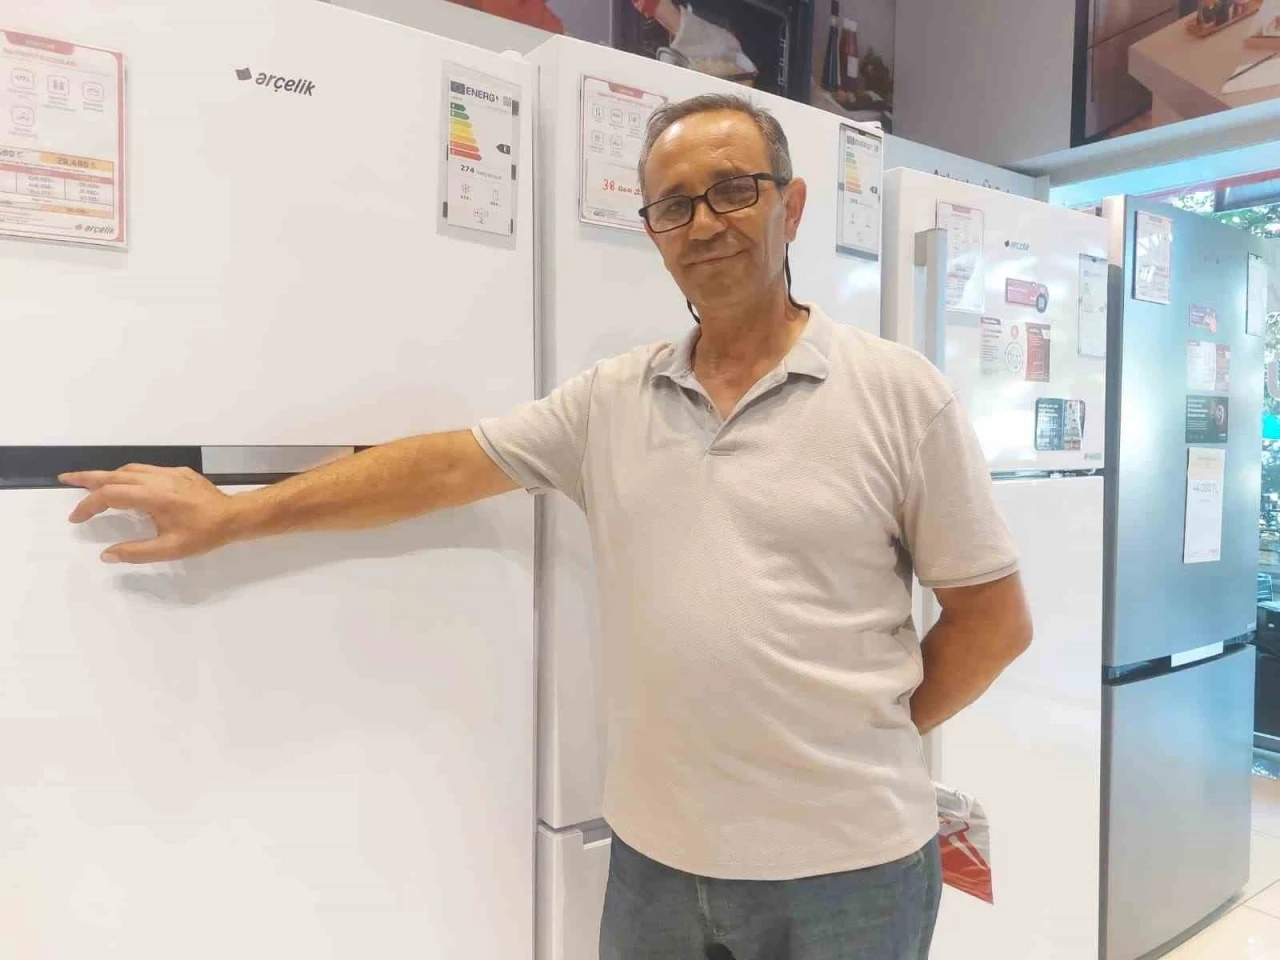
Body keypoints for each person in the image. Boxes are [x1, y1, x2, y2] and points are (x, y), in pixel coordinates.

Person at [62, 94, 1032, 960]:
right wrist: (235, 513)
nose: (703, 223)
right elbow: (442, 465)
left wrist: (853, 735)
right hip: (655, 864)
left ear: (792, 205)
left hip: (849, 872)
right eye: (673, 205)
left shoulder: (897, 394)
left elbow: (992, 624)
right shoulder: (610, 399)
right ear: (652, 233)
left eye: (733, 190)